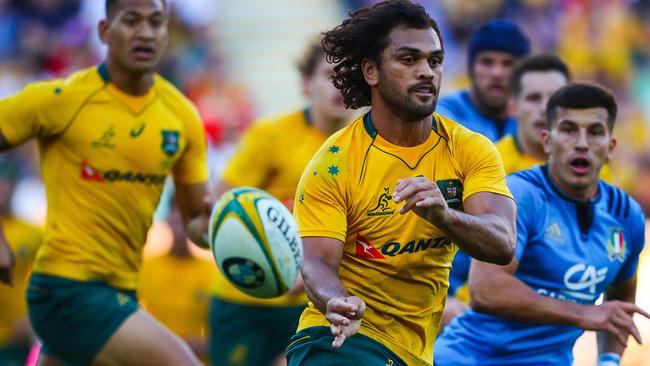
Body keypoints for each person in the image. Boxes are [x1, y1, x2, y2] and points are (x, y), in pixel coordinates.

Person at [286, 1, 516, 365]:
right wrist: (337, 301)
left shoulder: (470, 149)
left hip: (415, 351)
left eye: (435, 61)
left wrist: (444, 215)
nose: (426, 72)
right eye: (409, 60)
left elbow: (502, 242)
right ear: (371, 71)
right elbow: (315, 260)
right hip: (344, 341)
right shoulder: (333, 163)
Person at [0, 1, 213, 365]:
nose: (145, 32)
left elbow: (197, 223)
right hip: (66, 288)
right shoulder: (64, 99)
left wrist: (228, 231)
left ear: (167, 33)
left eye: (155, 22)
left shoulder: (182, 117)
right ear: (104, 31)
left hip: (122, 290)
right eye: (131, 21)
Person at [434, 83, 649, 366]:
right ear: (547, 141)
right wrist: (584, 313)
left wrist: (609, 360)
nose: (582, 143)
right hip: (470, 359)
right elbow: (487, 289)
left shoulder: (626, 215)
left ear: (610, 147)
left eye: (595, 132)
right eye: (569, 129)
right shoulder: (522, 195)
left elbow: (619, 302)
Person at [209, 38, 353, 366]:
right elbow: (221, 208)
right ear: (306, 84)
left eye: (348, 75)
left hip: (313, 305)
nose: (340, 84)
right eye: (330, 74)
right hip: (243, 300)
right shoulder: (269, 136)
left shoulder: (362, 148)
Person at [435, 19, 531, 326]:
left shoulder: (535, 122)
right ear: (471, 66)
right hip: (445, 281)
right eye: (487, 62)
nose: (498, 73)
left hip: (512, 278)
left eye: (508, 63)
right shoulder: (443, 119)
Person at [496, 53, 614, 181]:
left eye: (555, 99)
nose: (544, 108)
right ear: (513, 107)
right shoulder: (491, 166)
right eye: (533, 98)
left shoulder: (595, 171)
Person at [139, 196, 216, 363]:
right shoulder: (146, 268)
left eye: (184, 218)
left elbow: (219, 337)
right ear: (167, 220)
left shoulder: (211, 273)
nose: (179, 224)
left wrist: (187, 345)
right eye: (176, 216)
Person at [0, 156, 43, 366]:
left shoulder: (31, 233)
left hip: (14, 336)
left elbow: (47, 277)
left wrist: (31, 318)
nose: (2, 189)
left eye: (7, 182)